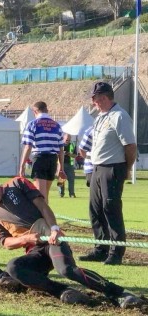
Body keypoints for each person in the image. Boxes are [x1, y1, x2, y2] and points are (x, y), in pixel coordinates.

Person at [0, 174, 142, 309]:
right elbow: (5, 242)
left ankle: (119, 293)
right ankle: (63, 291)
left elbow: (43, 206)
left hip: (52, 238)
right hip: (34, 251)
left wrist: (54, 229)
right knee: (13, 268)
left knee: (67, 270)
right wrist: (25, 238)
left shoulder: (17, 184)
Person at [79, 82, 137, 265]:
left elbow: (130, 146)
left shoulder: (119, 116)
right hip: (97, 168)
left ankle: (116, 252)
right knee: (95, 210)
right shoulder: (101, 117)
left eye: (95, 98)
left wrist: (126, 169)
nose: (93, 102)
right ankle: (101, 248)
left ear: (103, 97)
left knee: (111, 208)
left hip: (113, 167)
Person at [19, 101, 64, 204]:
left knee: (40, 196)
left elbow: (28, 146)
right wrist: (61, 168)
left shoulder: (32, 124)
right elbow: (61, 149)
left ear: (35, 111)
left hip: (39, 159)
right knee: (45, 195)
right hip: (52, 160)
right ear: (46, 110)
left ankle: (43, 218)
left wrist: (22, 166)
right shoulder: (56, 125)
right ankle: (46, 218)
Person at [58, 134, 77, 198]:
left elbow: (75, 155)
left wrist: (69, 154)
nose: (67, 141)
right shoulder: (59, 145)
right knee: (61, 179)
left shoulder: (73, 145)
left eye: (68, 140)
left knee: (71, 180)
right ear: (63, 138)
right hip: (61, 164)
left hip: (70, 165)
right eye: (66, 140)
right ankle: (61, 193)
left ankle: (71, 194)